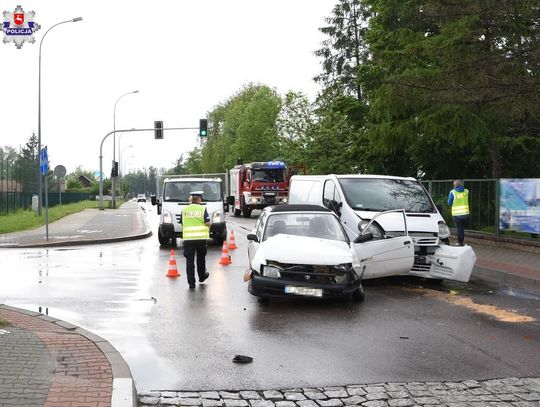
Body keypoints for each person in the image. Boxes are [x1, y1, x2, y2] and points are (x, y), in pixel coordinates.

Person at [181, 191, 211, 288]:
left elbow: (182, 222)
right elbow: (207, 222)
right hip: (201, 238)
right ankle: (201, 277)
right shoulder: (202, 209)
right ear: (198, 199)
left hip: (188, 239)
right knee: (201, 259)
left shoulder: (184, 209)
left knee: (189, 261)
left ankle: (191, 283)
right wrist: (210, 224)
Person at [448, 179, 470, 246]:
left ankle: (460, 242)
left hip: (457, 214)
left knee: (459, 228)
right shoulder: (466, 191)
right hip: (465, 213)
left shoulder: (453, 192)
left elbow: (449, 203)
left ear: (454, 185)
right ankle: (461, 241)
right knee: (462, 228)